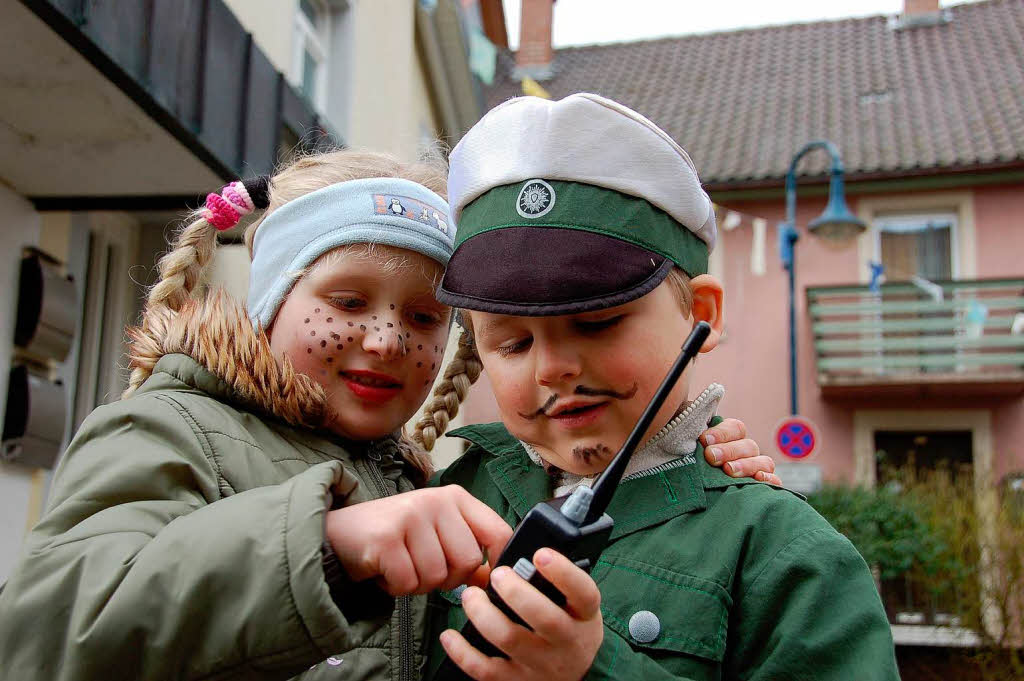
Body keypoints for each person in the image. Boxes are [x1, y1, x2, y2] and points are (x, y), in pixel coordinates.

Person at [0, 148, 772, 681]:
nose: (383, 337)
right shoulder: (175, 423)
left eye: (424, 317)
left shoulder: (416, 470)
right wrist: (324, 542)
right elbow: (41, 629)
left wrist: (672, 456)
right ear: (269, 305)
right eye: (346, 301)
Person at [416, 94, 901, 681]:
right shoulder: (446, 498)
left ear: (702, 314)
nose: (552, 369)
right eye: (512, 344)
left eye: (596, 322)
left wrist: (596, 670)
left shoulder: (784, 555)